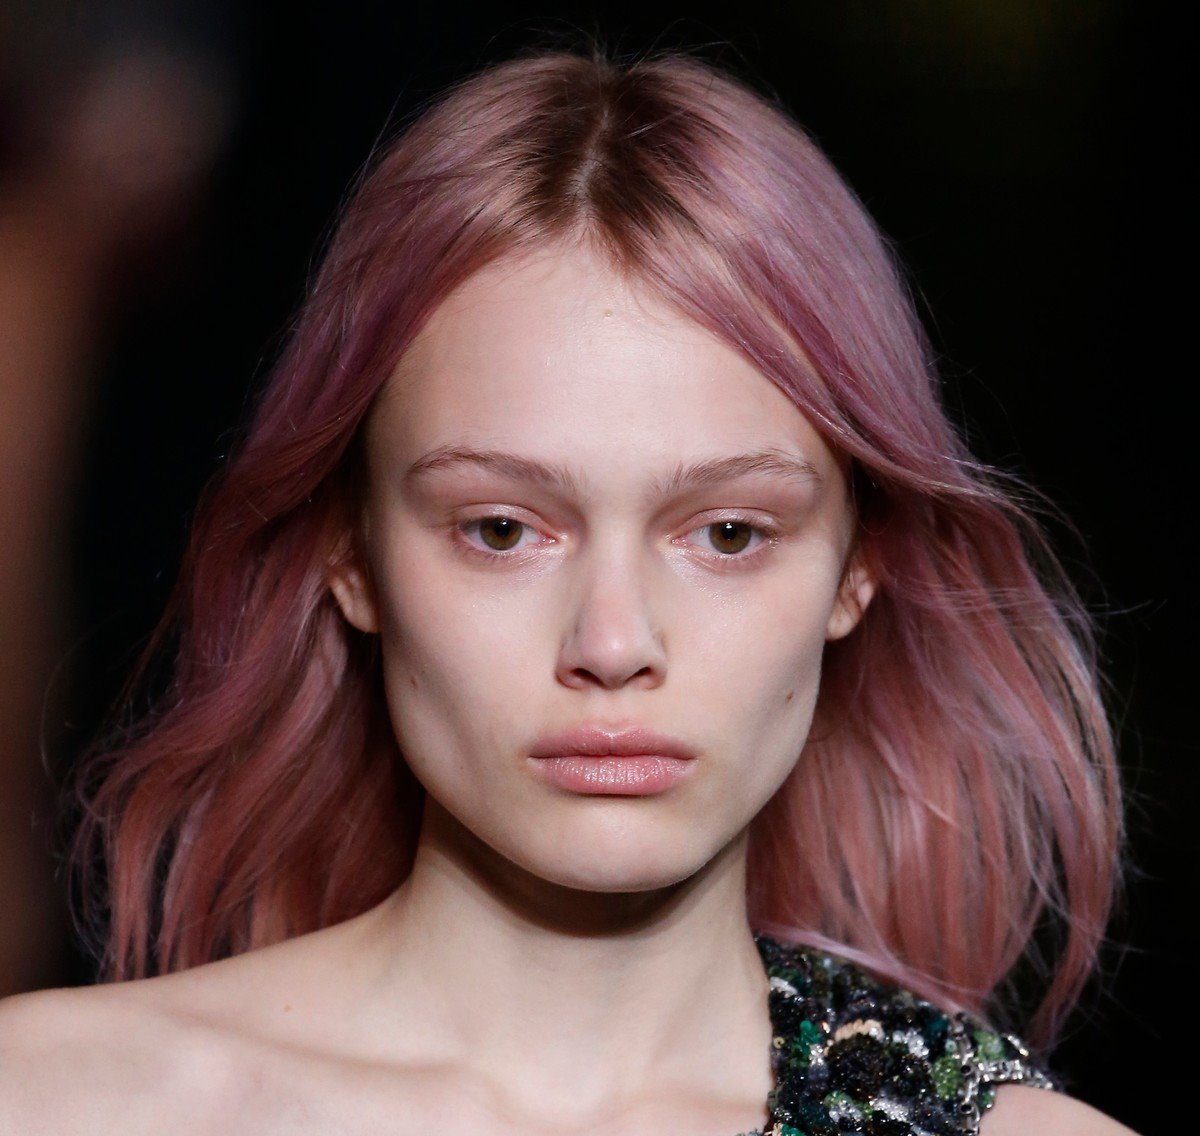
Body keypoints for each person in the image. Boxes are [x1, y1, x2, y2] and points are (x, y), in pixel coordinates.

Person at [0, 48, 1134, 1135]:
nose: (613, 641)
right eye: (502, 530)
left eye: (728, 533)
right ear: (350, 553)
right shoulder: (53, 1102)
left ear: (857, 565)